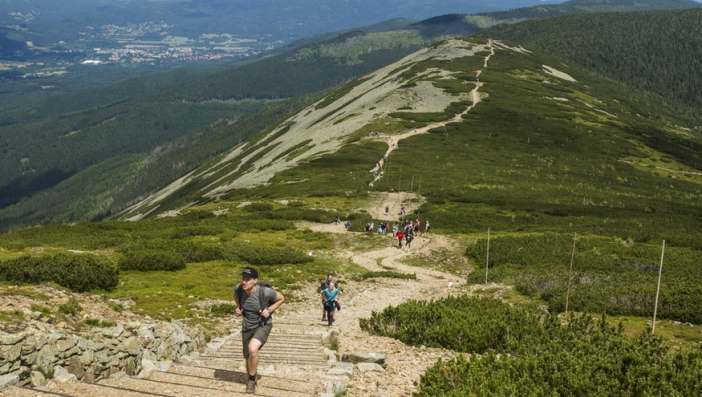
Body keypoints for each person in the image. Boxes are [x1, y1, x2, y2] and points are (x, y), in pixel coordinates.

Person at [234, 267, 285, 394]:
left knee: (252, 349)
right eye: (243, 279)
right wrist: (238, 308)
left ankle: (251, 381)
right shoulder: (238, 289)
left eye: (248, 279)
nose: (244, 282)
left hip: (263, 325)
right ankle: (253, 378)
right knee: (248, 356)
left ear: (255, 280)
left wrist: (270, 310)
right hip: (247, 326)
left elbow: (281, 298)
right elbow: (235, 297)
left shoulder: (265, 292)